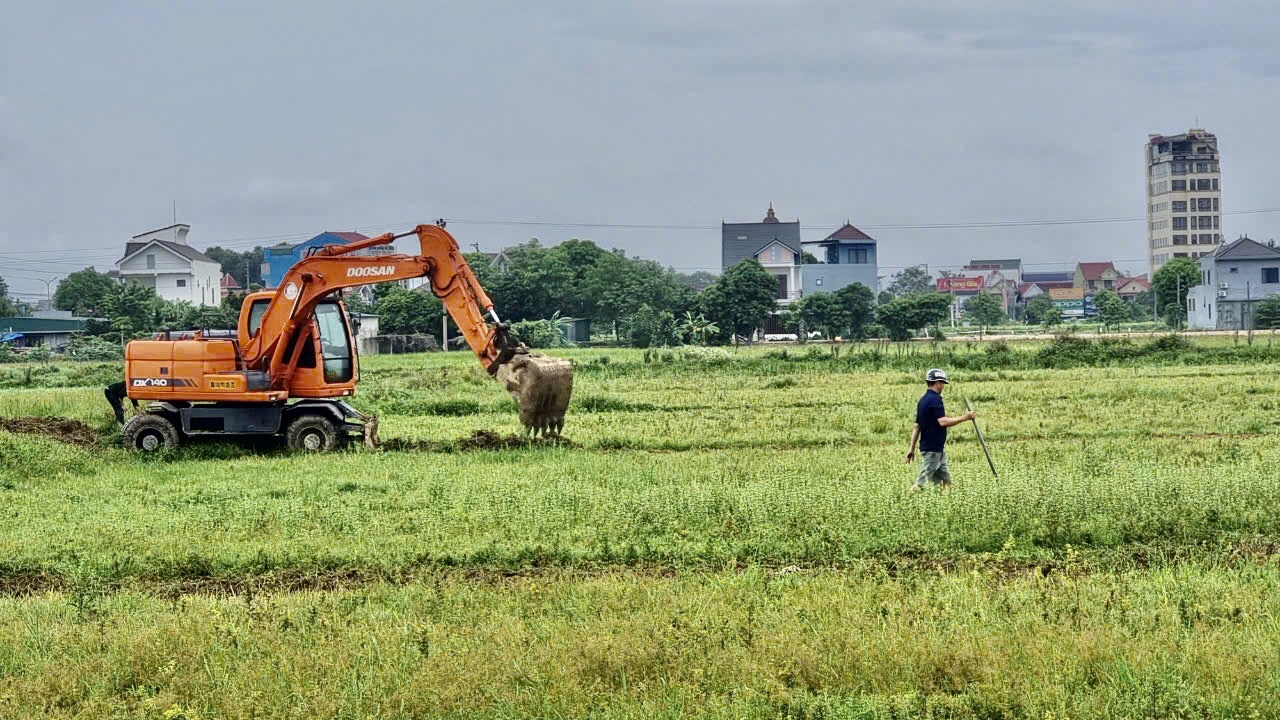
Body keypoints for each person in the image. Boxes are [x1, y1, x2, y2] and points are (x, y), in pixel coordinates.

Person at [906, 368, 975, 493]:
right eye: (942, 383)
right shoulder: (935, 400)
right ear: (937, 382)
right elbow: (942, 422)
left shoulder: (923, 400)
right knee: (921, 484)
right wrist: (965, 417)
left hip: (937, 449)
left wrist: (911, 448)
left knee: (946, 480)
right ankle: (907, 500)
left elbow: (917, 426)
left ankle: (945, 505)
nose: (943, 386)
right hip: (932, 450)